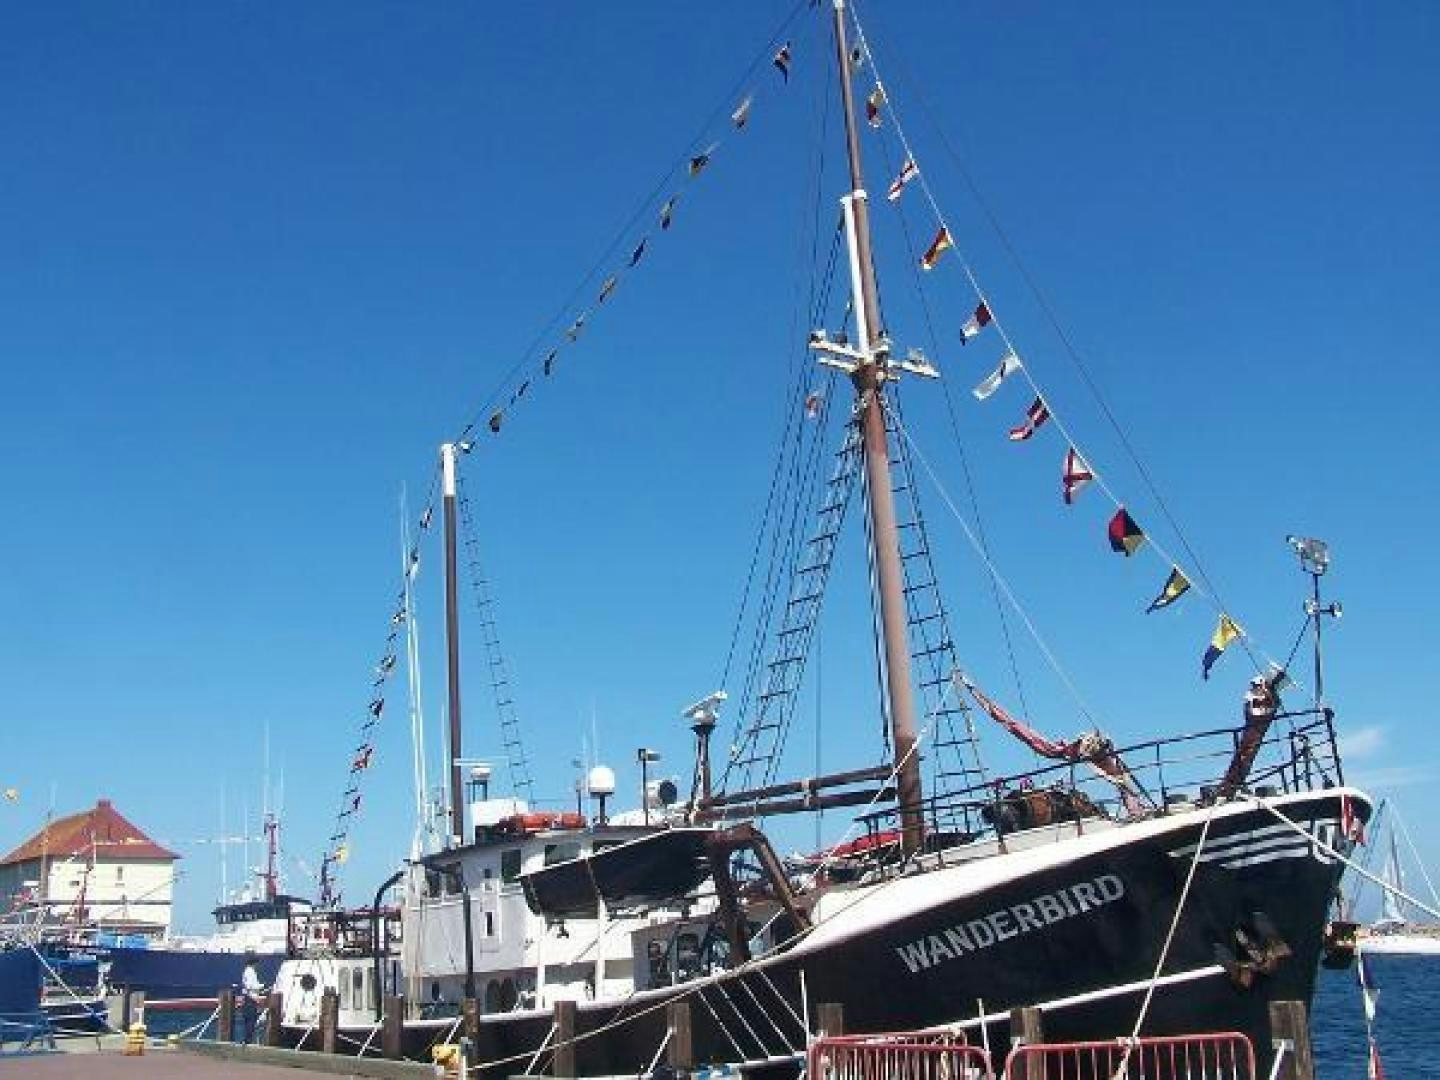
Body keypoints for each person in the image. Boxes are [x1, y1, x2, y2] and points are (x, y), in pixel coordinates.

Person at [240, 951, 264, 1045]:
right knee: (251, 1020)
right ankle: (247, 1041)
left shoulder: (246, 971)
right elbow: (250, 986)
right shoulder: (250, 972)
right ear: (254, 963)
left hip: (248, 998)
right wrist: (261, 986)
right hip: (251, 998)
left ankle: (246, 1040)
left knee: (248, 1020)